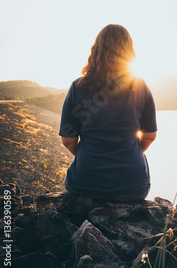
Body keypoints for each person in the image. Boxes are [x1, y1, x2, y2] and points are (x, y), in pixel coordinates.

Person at [58, 24, 157, 201]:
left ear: (96, 51)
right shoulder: (140, 86)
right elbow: (149, 136)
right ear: (129, 53)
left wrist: (91, 156)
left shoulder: (77, 87)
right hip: (132, 187)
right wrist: (130, 151)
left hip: (84, 184)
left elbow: (68, 141)